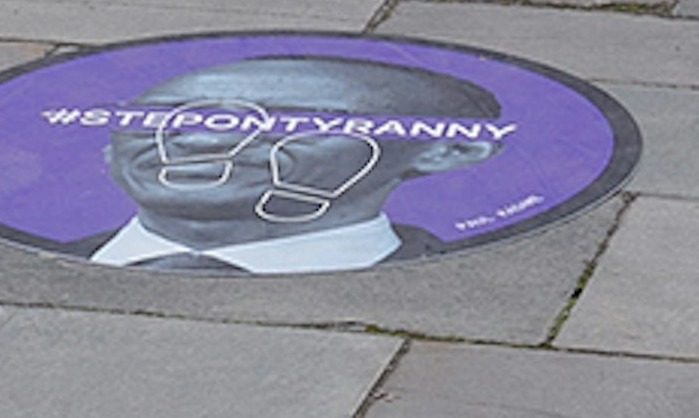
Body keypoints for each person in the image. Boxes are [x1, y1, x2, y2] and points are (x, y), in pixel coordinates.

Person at [84, 54, 513, 275]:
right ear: (110, 148)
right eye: (166, 118)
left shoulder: (466, 283)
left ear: (450, 150)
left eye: (288, 121)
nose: (204, 139)